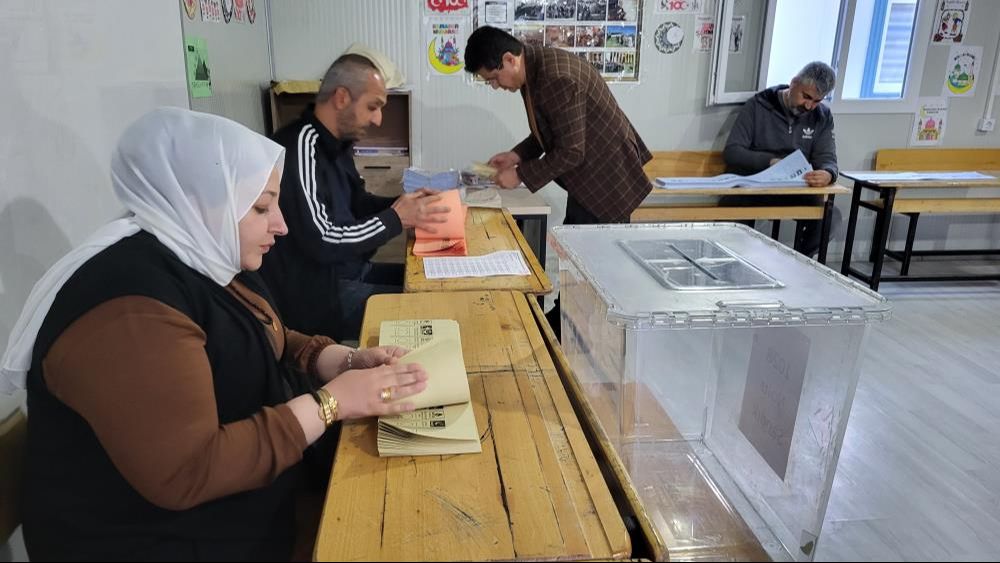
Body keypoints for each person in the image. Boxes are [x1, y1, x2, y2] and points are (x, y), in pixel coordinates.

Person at [0, 108, 429, 561]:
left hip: (241, 505)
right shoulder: (129, 312)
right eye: (262, 206)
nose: (281, 224)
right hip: (156, 540)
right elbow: (190, 472)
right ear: (204, 201)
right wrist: (331, 403)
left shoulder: (201, 252)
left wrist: (340, 361)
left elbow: (266, 333)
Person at [464, 26, 652, 336]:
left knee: (592, 264)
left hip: (607, 179)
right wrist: (516, 155)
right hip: (590, 178)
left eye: (493, 79)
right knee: (575, 257)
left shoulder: (555, 77)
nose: (496, 86)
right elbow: (551, 131)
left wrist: (520, 175)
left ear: (509, 59)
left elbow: (571, 150)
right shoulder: (534, 70)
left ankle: (579, 335)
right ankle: (565, 320)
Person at [260, 54, 450, 342]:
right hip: (318, 296)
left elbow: (358, 204)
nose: (378, 119)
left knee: (438, 287)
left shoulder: (337, 144)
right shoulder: (301, 146)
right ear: (341, 97)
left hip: (350, 272)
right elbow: (322, 239)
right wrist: (396, 218)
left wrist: (405, 204)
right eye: (373, 107)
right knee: (435, 312)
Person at [721, 61, 840, 257]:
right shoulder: (758, 105)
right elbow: (733, 152)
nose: (809, 106)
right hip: (752, 187)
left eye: (817, 101)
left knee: (831, 217)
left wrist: (828, 173)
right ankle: (735, 264)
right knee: (731, 210)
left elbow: (827, 157)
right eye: (806, 97)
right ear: (793, 83)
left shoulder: (822, 116)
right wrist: (770, 162)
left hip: (796, 189)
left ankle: (799, 262)